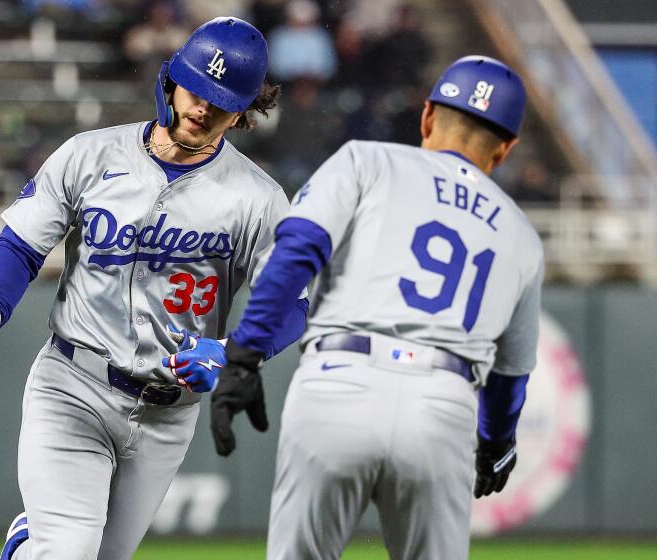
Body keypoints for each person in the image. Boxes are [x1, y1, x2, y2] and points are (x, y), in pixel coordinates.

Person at [0, 17, 308, 560]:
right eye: (196, 90)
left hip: (168, 412)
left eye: (221, 102)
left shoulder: (258, 200)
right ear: (171, 80)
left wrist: (237, 352)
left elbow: (294, 305)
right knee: (70, 553)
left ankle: (27, 546)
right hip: (73, 384)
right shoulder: (90, 155)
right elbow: (20, 245)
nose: (202, 109)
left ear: (244, 112)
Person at [210, 55, 543, 559]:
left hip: (339, 381)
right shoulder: (521, 233)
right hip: (443, 402)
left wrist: (245, 352)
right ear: (506, 148)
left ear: (428, 115)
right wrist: (496, 443)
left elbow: (297, 249)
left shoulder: (367, 160)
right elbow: (510, 376)